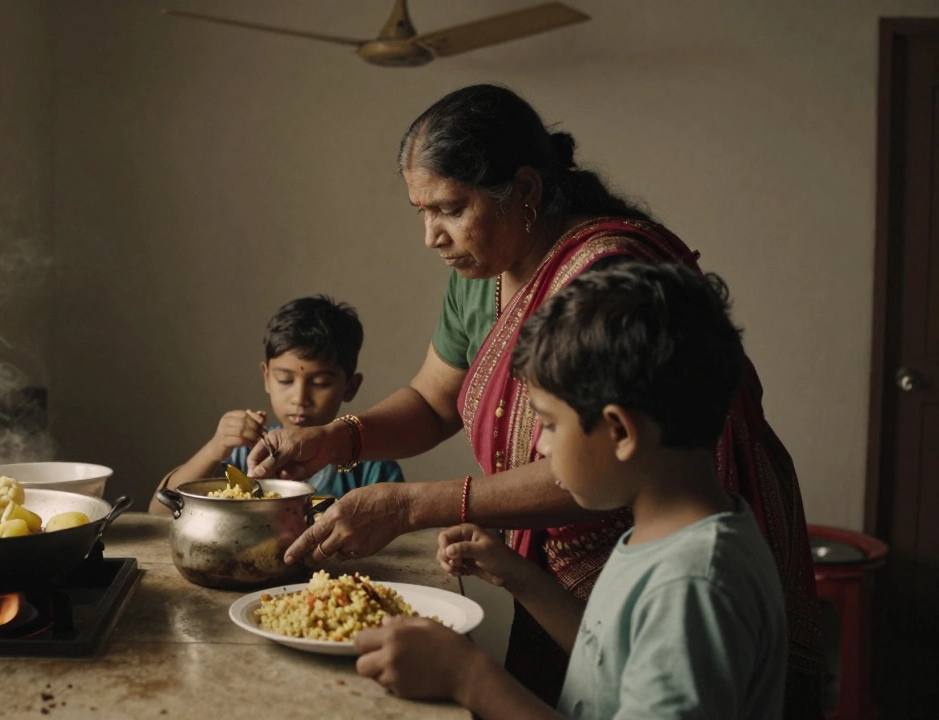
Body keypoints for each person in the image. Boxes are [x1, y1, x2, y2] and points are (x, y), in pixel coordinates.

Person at [246, 84, 822, 715]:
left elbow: (598, 460)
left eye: (451, 208)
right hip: (577, 583)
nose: (432, 236)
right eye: (421, 212)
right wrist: (339, 438)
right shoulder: (481, 271)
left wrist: (414, 508)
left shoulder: (607, 291)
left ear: (524, 190)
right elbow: (435, 401)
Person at [354, 260, 789, 719]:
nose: (540, 445)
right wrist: (520, 578)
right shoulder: (668, 535)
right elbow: (611, 660)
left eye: (548, 424)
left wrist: (468, 677)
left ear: (620, 431)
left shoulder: (693, 585)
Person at [148, 295, 403, 514]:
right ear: (267, 378)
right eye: (285, 380)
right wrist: (215, 448)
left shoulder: (372, 463)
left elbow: (401, 536)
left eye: (321, 383)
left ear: (350, 387)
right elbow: (160, 512)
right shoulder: (247, 455)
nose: (300, 398)